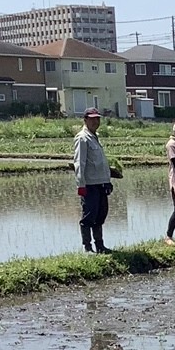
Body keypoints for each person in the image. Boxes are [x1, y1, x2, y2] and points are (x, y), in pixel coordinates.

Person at [73, 108, 112, 254]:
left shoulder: (95, 137)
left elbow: (100, 162)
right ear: (85, 120)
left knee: (100, 215)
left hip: (101, 183)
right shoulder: (82, 138)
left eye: (98, 119)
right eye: (92, 119)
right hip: (89, 185)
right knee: (89, 216)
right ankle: (88, 247)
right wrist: (81, 185)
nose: (96, 121)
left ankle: (100, 246)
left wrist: (107, 180)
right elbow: (79, 163)